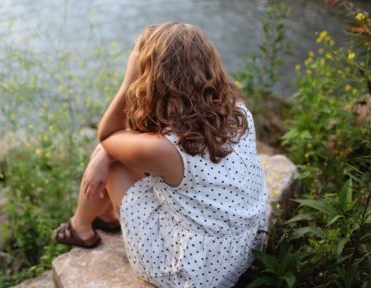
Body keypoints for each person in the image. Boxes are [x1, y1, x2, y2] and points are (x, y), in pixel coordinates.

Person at [53, 21, 268, 287]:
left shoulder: (165, 149)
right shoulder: (236, 111)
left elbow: (108, 136)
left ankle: (80, 228)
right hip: (241, 246)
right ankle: (106, 217)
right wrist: (109, 150)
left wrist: (130, 78)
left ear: (152, 76)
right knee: (115, 151)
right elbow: (138, 139)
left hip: (194, 271)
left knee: (111, 158)